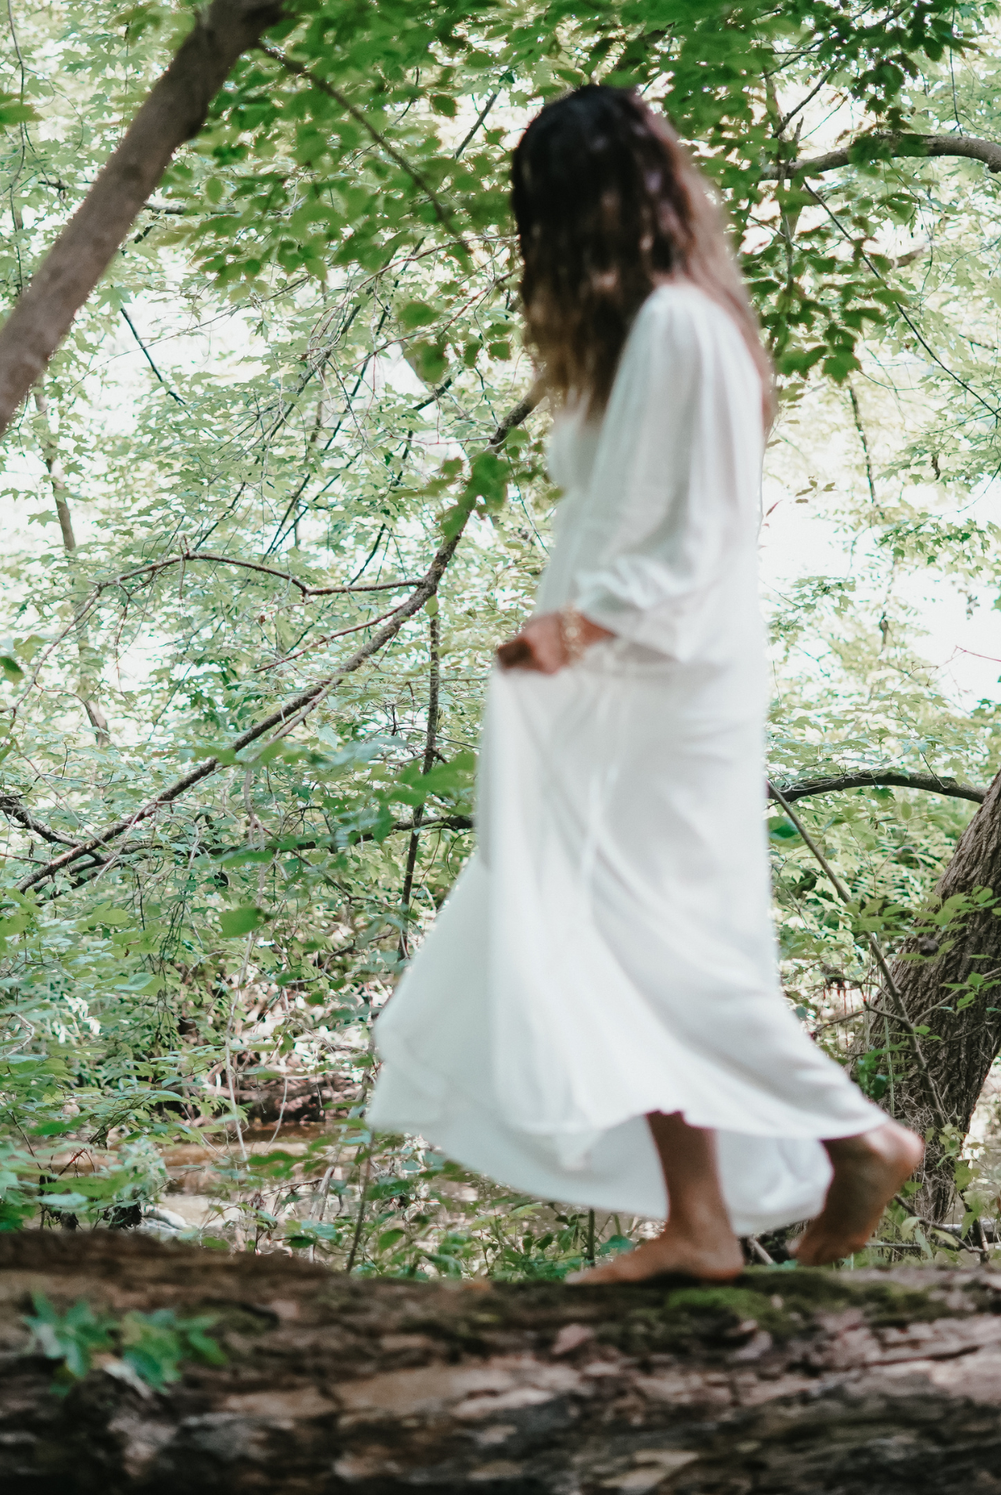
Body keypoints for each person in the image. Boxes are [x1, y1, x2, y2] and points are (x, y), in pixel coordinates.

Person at [366, 86, 922, 1283]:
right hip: (610, 681)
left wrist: (580, 623)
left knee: (661, 945)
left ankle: (854, 1135)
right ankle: (701, 1223)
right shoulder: (647, 337)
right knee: (617, 943)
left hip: (657, 686)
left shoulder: (678, 328)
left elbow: (700, 530)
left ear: (586, 208)